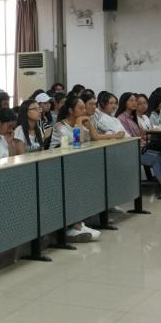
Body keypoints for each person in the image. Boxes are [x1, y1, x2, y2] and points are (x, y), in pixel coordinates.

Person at [48, 96, 101, 241]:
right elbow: (79, 141)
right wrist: (79, 123)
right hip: (54, 168)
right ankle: (74, 226)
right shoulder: (60, 126)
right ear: (71, 110)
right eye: (81, 108)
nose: (84, 111)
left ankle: (78, 223)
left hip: (71, 166)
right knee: (75, 185)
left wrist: (89, 125)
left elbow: (94, 138)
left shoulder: (81, 124)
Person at [121, 95, 161, 200]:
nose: (135, 103)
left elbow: (142, 134)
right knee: (157, 158)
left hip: (144, 145)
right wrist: (142, 137)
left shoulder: (135, 117)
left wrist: (144, 136)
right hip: (133, 150)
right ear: (124, 102)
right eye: (132, 101)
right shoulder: (122, 118)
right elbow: (128, 137)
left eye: (135, 101)